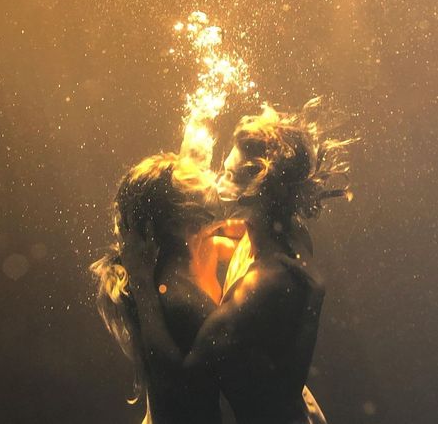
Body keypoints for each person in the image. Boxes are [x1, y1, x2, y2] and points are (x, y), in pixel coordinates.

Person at [123, 100, 352, 423]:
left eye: (229, 174)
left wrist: (142, 282)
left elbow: (184, 375)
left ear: (257, 187)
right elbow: (225, 230)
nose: (216, 181)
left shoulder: (260, 286)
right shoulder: (284, 229)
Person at [91, 152, 236, 424]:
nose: (208, 175)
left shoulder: (166, 282)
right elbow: (179, 390)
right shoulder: (182, 302)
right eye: (195, 177)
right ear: (183, 217)